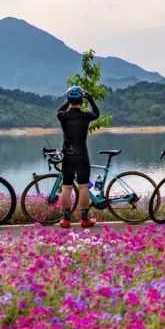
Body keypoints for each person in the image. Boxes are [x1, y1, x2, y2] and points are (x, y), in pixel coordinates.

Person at [57, 85, 100, 228]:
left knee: (66, 187)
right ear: (81, 101)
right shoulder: (86, 116)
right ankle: (84, 219)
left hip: (67, 155)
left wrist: (68, 100)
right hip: (82, 155)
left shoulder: (63, 116)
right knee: (83, 187)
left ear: (69, 100)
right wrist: (90, 99)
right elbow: (96, 113)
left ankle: (66, 220)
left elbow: (60, 110)